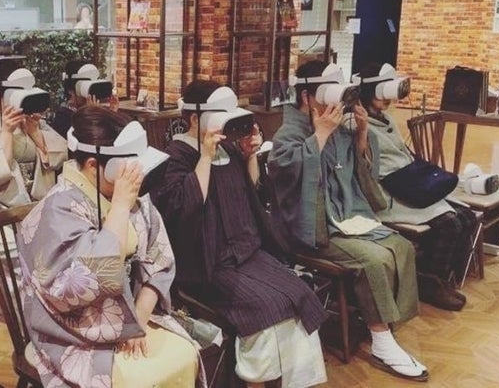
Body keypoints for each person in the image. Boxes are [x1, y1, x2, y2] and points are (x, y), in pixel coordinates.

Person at [152, 80, 328, 387]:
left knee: (300, 294)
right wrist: (205, 157)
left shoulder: (229, 151)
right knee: (266, 307)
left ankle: (294, 381)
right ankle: (255, 382)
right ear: (194, 118)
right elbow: (183, 209)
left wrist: (248, 157)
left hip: (249, 253)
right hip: (209, 263)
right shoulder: (176, 157)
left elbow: (252, 196)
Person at [18, 105, 202, 387]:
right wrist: (120, 206)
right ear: (93, 165)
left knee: (184, 354)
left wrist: (139, 319)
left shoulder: (129, 192)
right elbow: (84, 284)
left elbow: (160, 259)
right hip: (73, 330)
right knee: (134, 379)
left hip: (132, 313)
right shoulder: (57, 210)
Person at [268, 60, 428, 381]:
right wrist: (319, 136)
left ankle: (382, 324)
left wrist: (363, 135)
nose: (336, 105)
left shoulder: (339, 127)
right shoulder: (289, 134)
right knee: (373, 260)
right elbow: (288, 175)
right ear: (307, 97)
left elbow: (360, 176)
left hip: (346, 217)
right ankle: (382, 340)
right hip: (312, 227)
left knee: (401, 247)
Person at [353, 62, 475, 311]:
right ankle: (428, 284)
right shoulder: (355, 123)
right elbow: (364, 166)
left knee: (467, 217)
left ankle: (442, 278)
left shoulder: (385, 119)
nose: (387, 99)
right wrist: (362, 132)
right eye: (381, 92)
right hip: (388, 194)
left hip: (407, 184)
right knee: (450, 224)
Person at [0, 60, 66, 220]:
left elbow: (62, 154)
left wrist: (35, 132)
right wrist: (6, 133)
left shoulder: (32, 122)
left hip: (35, 207)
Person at [51, 60, 119, 138]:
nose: (90, 94)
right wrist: (91, 116)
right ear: (71, 90)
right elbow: (91, 139)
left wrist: (112, 113)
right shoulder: (63, 117)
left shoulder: (96, 110)